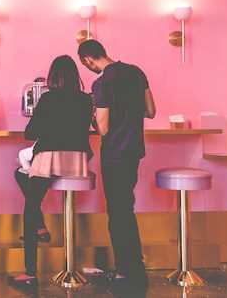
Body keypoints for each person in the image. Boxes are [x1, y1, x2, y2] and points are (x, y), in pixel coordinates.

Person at [8, 55, 93, 290]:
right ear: (76, 76)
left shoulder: (47, 99)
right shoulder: (87, 100)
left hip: (50, 160)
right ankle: (41, 225)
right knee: (23, 176)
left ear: (53, 76)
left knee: (30, 203)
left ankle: (30, 271)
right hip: (77, 162)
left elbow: (30, 132)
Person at [78, 39, 156, 287]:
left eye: (86, 63)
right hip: (134, 151)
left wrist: (90, 115)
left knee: (118, 212)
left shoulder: (101, 83)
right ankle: (134, 265)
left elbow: (102, 128)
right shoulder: (136, 72)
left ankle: (126, 270)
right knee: (126, 208)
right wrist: (129, 113)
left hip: (114, 153)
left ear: (87, 59)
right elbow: (151, 110)